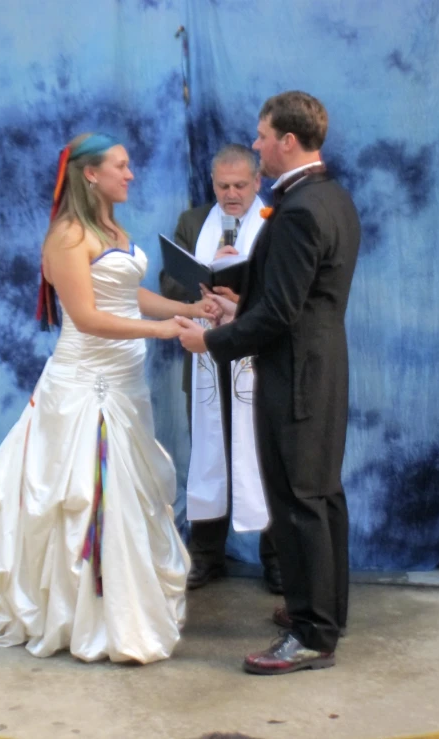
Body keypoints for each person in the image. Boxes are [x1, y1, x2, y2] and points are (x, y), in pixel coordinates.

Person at [0, 132, 218, 664]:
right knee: (85, 498)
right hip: (85, 386)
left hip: (125, 382)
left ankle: (122, 601)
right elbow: (87, 317)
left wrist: (185, 311)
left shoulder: (111, 227)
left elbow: (126, 293)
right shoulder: (68, 236)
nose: (131, 174)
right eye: (121, 166)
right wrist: (160, 333)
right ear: (90, 174)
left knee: (125, 496)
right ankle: (85, 615)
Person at [176, 91, 361, 675]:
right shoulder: (330, 196)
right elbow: (295, 302)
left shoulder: (302, 208)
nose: (255, 145)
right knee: (323, 495)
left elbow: (280, 314)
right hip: (322, 366)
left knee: (300, 502)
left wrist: (212, 339)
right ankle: (325, 611)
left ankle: (311, 636)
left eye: (261, 136)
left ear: (286, 140)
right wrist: (241, 307)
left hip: (295, 377)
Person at [160, 144, 283, 594]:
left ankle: (276, 559)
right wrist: (203, 290)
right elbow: (168, 281)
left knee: (265, 459)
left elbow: (284, 287)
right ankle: (208, 555)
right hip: (207, 356)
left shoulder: (276, 220)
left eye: (239, 185)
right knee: (209, 453)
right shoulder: (193, 223)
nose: (231, 195)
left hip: (259, 363)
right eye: (222, 186)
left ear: (257, 182)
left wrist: (240, 291)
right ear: (212, 184)